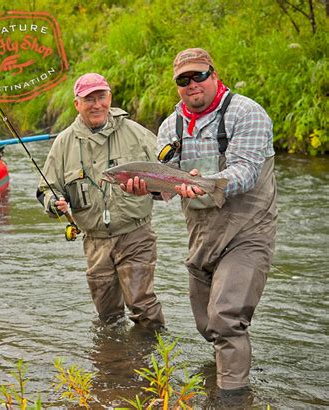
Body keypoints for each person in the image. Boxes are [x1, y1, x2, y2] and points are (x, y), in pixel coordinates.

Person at [124, 48, 277, 392]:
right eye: (183, 79)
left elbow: (247, 172)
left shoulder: (247, 113)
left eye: (199, 75)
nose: (192, 84)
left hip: (248, 232)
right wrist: (144, 188)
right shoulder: (169, 126)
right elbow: (165, 185)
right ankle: (224, 371)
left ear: (214, 74)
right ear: (177, 85)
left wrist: (202, 182)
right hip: (202, 236)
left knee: (226, 319)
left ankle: (231, 397)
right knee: (207, 324)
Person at [37, 73, 165, 330]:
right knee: (107, 316)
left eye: (101, 97)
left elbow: (167, 173)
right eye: (89, 99)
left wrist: (152, 190)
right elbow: (45, 189)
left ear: (109, 98)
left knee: (143, 305)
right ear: (77, 104)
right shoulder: (63, 143)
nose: (97, 105)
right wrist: (55, 202)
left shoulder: (137, 133)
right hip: (94, 241)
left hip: (135, 234)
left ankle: (155, 364)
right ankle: (112, 366)